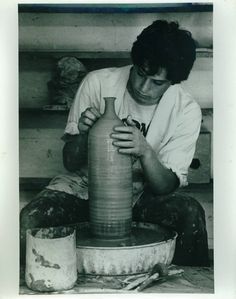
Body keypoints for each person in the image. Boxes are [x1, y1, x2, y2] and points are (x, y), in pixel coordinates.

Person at [20, 20, 209, 266]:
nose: (143, 87)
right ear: (135, 62)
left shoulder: (185, 109)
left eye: (157, 82)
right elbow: (69, 162)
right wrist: (86, 135)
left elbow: (166, 185)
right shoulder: (97, 83)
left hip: (143, 193)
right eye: (141, 73)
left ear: (173, 82)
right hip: (83, 187)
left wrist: (145, 152)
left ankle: (186, 287)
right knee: (30, 220)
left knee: (190, 213)